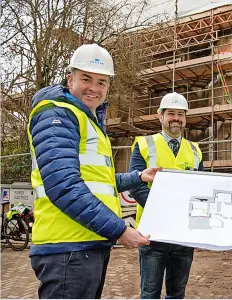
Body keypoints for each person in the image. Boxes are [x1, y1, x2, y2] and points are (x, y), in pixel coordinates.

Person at [27, 43, 161, 299]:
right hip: (67, 247)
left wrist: (138, 177)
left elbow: (96, 181)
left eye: (101, 82)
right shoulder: (58, 115)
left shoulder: (84, 118)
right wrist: (120, 230)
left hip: (84, 243)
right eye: (86, 78)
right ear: (70, 79)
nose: (94, 88)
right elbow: (64, 186)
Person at [129, 92, 204, 299]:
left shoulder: (195, 150)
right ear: (160, 116)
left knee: (177, 293)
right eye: (171, 113)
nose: (176, 119)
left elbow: (202, 191)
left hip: (183, 236)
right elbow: (136, 185)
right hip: (152, 235)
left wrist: (200, 229)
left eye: (181, 114)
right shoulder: (144, 145)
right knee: (150, 293)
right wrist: (163, 210)